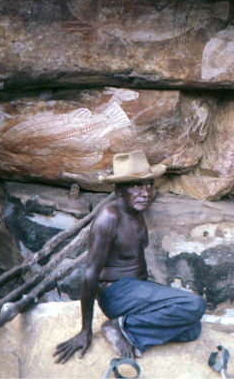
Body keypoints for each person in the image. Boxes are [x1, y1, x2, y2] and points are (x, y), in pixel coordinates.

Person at [54, 150, 206, 363]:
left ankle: (128, 327)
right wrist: (85, 330)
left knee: (193, 329)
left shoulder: (137, 209)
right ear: (118, 190)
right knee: (195, 305)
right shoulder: (109, 218)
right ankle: (119, 327)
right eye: (136, 185)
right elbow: (89, 276)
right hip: (116, 293)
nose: (145, 192)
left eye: (149, 184)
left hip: (136, 290)